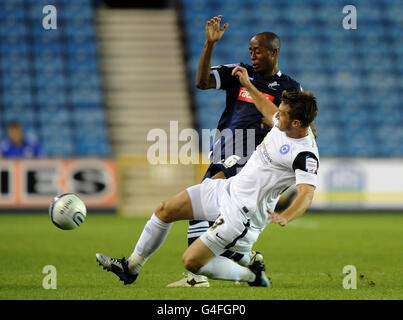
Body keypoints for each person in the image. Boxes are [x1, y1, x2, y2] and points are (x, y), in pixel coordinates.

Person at [95, 76, 319, 287]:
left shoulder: (304, 154)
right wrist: (249, 86)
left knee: (192, 262)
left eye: (283, 113)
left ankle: (251, 275)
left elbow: (306, 193)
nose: (277, 115)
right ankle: (131, 267)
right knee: (165, 210)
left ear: (297, 123)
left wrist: (286, 216)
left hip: (242, 215)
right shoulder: (283, 121)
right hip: (227, 190)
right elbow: (265, 107)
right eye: (279, 111)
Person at [169, 15, 307, 287]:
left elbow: (297, 126)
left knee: (201, 204)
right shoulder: (239, 71)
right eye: (250, 51)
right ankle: (247, 260)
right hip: (223, 152)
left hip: (249, 158)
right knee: (211, 215)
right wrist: (209, 45)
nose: (253, 55)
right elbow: (203, 82)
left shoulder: (290, 88)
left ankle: (204, 274)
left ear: (274, 52)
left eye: (258, 50)